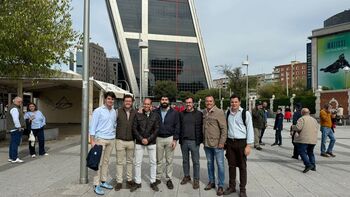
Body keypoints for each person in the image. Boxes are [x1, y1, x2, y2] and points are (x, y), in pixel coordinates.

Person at [223, 95, 254, 197]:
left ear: (239, 102)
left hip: (241, 143)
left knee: (242, 167)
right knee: (231, 166)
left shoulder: (245, 113)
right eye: (232, 102)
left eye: (236, 102)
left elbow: (250, 129)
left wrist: (248, 145)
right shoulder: (227, 113)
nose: (234, 104)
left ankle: (242, 189)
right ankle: (232, 187)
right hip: (230, 143)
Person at [89, 92, 117, 195]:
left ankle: (103, 181)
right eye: (109, 99)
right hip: (100, 140)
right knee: (98, 163)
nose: (111, 101)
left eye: (112, 99)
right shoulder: (98, 111)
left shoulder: (114, 111)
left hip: (111, 140)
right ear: (105, 99)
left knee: (106, 162)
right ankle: (96, 184)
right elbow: (92, 126)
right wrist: (92, 141)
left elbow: (114, 124)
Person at [130, 98, 160, 192]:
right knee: (138, 163)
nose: (146, 106)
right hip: (140, 142)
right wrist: (141, 139)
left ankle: (152, 181)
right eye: (145, 104)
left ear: (151, 105)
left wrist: (148, 139)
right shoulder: (138, 115)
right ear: (143, 105)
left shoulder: (155, 115)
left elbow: (157, 129)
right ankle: (138, 182)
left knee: (153, 162)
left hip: (151, 142)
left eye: (148, 104)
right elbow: (134, 128)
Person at [203, 95, 227, 196]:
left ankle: (220, 185)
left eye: (210, 101)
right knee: (209, 163)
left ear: (214, 102)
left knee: (220, 165)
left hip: (217, 144)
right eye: (207, 101)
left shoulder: (219, 112)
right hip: (207, 144)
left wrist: (222, 142)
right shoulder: (204, 112)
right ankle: (211, 181)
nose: (209, 103)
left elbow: (224, 129)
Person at [154, 96, 180, 189]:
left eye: (166, 100)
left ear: (168, 101)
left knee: (169, 160)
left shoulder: (174, 112)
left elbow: (177, 126)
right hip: (158, 138)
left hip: (170, 138)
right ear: (160, 101)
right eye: (162, 100)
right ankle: (158, 177)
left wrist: (175, 139)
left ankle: (169, 179)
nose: (164, 101)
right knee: (159, 160)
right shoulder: (155, 112)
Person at [179, 97, 203, 189]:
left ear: (193, 103)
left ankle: (196, 179)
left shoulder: (199, 114)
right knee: (185, 161)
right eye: (187, 102)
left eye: (190, 102)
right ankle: (187, 176)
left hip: (194, 142)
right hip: (184, 141)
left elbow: (202, 127)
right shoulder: (181, 114)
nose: (188, 104)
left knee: (196, 161)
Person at [114, 95, 137, 191]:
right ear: (123, 102)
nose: (128, 102)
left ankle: (129, 179)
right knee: (119, 162)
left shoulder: (135, 113)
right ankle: (119, 181)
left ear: (132, 102)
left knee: (130, 162)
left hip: (131, 141)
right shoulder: (117, 112)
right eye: (126, 101)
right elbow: (112, 124)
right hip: (120, 140)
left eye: (130, 101)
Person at [292, 108, 319, 173]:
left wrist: (293, 127)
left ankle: (308, 164)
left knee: (302, 152)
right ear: (309, 112)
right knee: (310, 152)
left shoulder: (302, 119)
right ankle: (313, 166)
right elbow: (317, 127)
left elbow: (298, 128)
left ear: (302, 113)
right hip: (313, 139)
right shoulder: (314, 120)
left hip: (304, 139)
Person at [7, 96, 25, 163]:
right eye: (18, 101)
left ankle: (11, 157)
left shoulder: (13, 107)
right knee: (15, 144)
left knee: (12, 144)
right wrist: (19, 127)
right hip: (16, 129)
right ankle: (14, 158)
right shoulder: (14, 108)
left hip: (13, 129)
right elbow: (16, 119)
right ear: (13, 101)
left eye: (21, 102)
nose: (20, 103)